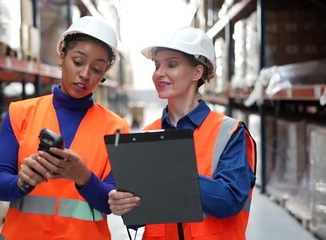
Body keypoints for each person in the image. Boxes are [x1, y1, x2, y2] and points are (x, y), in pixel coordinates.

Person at [108, 26, 256, 240]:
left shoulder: (229, 132)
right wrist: (123, 203)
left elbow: (229, 200)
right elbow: (139, 217)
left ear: (197, 72)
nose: (159, 73)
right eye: (157, 65)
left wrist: (170, 175)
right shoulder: (148, 134)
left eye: (172, 64)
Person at [0, 16, 130, 240]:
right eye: (78, 61)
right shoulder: (20, 114)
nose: (85, 74)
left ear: (104, 74)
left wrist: (83, 176)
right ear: (62, 57)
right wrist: (22, 181)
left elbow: (111, 203)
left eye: (96, 68)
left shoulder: (116, 128)